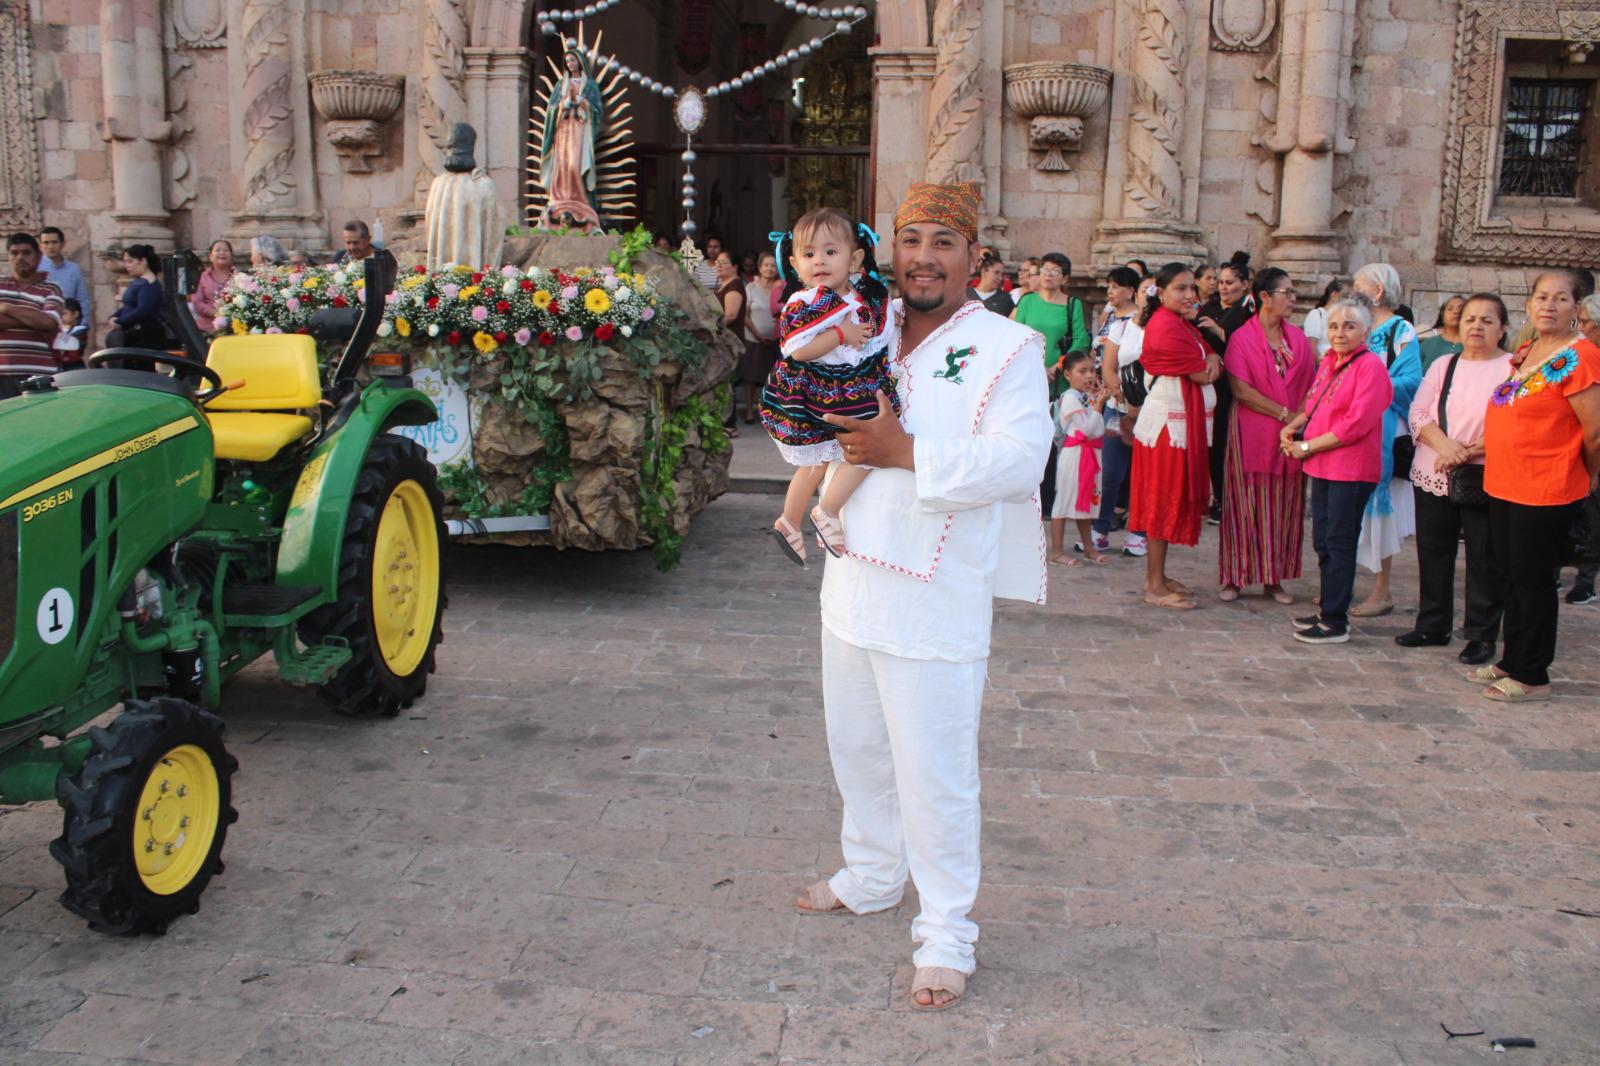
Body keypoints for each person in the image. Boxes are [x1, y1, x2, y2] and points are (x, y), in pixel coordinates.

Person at [792, 180, 1050, 1015]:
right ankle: (871, 873)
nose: (925, 258)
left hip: (938, 592)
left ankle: (947, 932)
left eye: (945, 242)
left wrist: (907, 451)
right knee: (857, 749)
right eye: (912, 240)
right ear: (887, 250)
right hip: (851, 575)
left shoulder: (1009, 347)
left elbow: (1021, 460)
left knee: (935, 775)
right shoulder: (861, 323)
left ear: (975, 256)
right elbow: (801, 419)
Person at [1475, 272, 1600, 701]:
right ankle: (1512, 658)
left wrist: (1580, 472)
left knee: (1533, 581)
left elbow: (1595, 431)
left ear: (1575, 308)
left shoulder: (1581, 356)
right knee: (1508, 575)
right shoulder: (1527, 351)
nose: (1548, 305)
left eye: (1560, 298)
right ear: (1529, 304)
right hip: (1505, 481)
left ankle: (1532, 673)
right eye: (1541, 297)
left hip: (1547, 485)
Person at [759, 208, 895, 563]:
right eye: (808, 254)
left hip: (840, 389)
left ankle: (789, 521)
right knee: (869, 451)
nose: (819, 261)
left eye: (830, 252)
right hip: (826, 392)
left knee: (817, 462)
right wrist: (840, 334)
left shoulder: (864, 295)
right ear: (794, 262)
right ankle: (828, 510)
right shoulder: (805, 301)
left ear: (855, 258)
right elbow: (798, 351)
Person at [1397, 294, 1512, 664]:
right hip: (1434, 467)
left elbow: (1516, 422)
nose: (1476, 326)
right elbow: (1418, 411)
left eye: (1486, 320)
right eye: (1469, 319)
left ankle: (1480, 635)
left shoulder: (1513, 368)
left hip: (1484, 471)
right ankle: (1433, 623)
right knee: (1433, 550)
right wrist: (1446, 447)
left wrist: (1469, 451)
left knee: (1483, 556)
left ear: (1503, 328)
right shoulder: (1444, 364)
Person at [1281, 295, 1394, 643]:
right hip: (1323, 465)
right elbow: (1314, 403)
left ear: (1366, 331)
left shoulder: (1370, 366)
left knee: (1339, 541)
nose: (1340, 332)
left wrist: (1306, 446)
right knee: (1324, 540)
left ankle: (1334, 620)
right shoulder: (1331, 360)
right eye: (1333, 326)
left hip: (1351, 467)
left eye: (1349, 326)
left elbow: (1355, 423)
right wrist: (1294, 425)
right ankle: (1327, 609)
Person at [1218, 267, 1318, 603]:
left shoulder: (1299, 340)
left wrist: (1295, 420)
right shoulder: (1243, 338)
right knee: (1244, 501)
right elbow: (1241, 389)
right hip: (1252, 429)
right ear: (1264, 297)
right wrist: (1284, 415)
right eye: (1286, 292)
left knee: (1283, 503)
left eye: (1293, 292)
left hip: (1288, 434)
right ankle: (1235, 574)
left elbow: (1311, 385)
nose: (1293, 299)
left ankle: (1273, 577)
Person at [1129, 262, 1221, 609]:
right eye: (1180, 289)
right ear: (1162, 292)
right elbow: (1203, 373)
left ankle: (1159, 574)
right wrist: (1210, 363)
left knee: (1167, 499)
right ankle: (1154, 583)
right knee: (1161, 501)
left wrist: (1211, 360)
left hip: (1176, 426)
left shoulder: (1181, 325)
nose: (1188, 295)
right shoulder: (1166, 327)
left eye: (1191, 288)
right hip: (1167, 428)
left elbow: (1211, 359)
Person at [1349, 263, 1423, 617]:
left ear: (1378, 291)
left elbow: (1411, 379)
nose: (1353, 289)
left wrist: (1369, 391)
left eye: (1358, 284)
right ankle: (1343, 583)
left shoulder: (1401, 329)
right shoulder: (1359, 327)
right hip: (1354, 428)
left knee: (1382, 515)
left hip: (1387, 429)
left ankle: (1381, 591)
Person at [1092, 266, 1148, 558]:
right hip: (1118, 408)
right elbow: (1108, 366)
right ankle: (1100, 529)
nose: (1112, 292)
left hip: (1152, 411)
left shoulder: (1159, 325)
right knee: (1111, 471)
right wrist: (1123, 398)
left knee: (1143, 474)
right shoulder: (1115, 324)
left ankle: (1139, 532)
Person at [1198, 252, 1256, 523]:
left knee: (1229, 443)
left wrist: (1221, 333)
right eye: (1221, 282)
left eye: (1230, 282)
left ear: (1245, 284)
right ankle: (1215, 497)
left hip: (1234, 387)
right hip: (1210, 386)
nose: (1223, 287)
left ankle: (1230, 499)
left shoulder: (1248, 313)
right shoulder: (1208, 309)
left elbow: (1252, 346)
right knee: (1212, 443)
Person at [1049, 349, 1109, 566]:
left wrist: (1096, 406)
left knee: (1084, 501)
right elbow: (1087, 429)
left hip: (1089, 454)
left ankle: (1089, 548)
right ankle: (1056, 551)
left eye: (1092, 370)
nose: (1089, 376)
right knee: (1064, 501)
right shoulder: (1071, 399)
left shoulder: (1087, 398)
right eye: (1082, 371)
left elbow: (1098, 429)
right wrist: (1099, 407)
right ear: (1067, 375)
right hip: (1074, 457)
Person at [1011, 251, 1090, 398]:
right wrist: (1039, 368)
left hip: (1060, 376)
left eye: (1055, 271)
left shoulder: (1072, 304)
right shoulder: (1027, 301)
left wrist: (1056, 367)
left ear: (1065, 279)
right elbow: (1016, 338)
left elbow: (1080, 340)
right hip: (1029, 373)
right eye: (1045, 269)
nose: (1049, 274)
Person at [0, 232, 66, 398]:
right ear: (8, 257)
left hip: (39, 374)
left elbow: (48, 323)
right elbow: (41, 321)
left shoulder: (52, 288)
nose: (20, 257)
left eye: (26, 252)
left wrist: (6, 308)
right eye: (14, 253)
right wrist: (32, 318)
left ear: (38, 257)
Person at [738, 251, 783, 423]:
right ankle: (749, 410)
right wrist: (759, 335)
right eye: (766, 265)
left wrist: (773, 337)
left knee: (772, 378)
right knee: (750, 377)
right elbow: (745, 315)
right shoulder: (751, 287)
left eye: (773, 265)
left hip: (775, 340)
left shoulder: (780, 287)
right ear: (759, 267)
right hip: (754, 338)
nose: (770, 269)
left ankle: (769, 412)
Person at [106, 244, 167, 350]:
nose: (127, 266)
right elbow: (128, 305)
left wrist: (120, 321)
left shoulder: (149, 283)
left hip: (143, 336)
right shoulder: (139, 281)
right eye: (125, 262)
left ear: (143, 261)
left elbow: (143, 310)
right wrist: (113, 317)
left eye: (130, 261)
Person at [712, 250, 746, 440]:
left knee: (727, 382)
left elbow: (730, 315)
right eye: (717, 262)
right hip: (722, 341)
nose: (719, 265)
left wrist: (710, 324)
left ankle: (729, 424)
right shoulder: (724, 284)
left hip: (730, 341)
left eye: (724, 262)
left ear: (734, 267)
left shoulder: (734, 285)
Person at [38, 225, 90, 337]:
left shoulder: (73, 269)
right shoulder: (36, 269)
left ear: (62, 244)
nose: (50, 246)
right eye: (46, 243)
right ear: (40, 245)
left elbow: (82, 299)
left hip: (70, 329)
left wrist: (83, 325)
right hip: (44, 326)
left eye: (54, 242)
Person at [188, 239, 235, 333]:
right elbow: (197, 303)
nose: (222, 253)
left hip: (234, 328)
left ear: (231, 256)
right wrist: (218, 314)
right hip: (207, 329)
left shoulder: (239, 277)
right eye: (218, 250)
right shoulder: (201, 277)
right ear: (211, 257)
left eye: (226, 250)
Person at [332, 220, 398, 285]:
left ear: (368, 239)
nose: (352, 247)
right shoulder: (340, 258)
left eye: (356, 243)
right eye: (348, 243)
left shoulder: (383, 258)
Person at [1417, 294, 1465, 371]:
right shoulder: (1427, 344)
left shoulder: (1474, 347)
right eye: (1450, 309)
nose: (1456, 312)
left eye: (1461, 309)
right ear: (1442, 315)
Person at [1301, 280, 1345, 357]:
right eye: (1345, 296)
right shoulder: (1316, 314)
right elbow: (1311, 346)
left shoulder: (1342, 317)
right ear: (1334, 294)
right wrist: (1322, 366)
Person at [53, 298, 86, 371]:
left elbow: (72, 345)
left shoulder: (80, 330)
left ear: (75, 314)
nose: (61, 317)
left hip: (73, 367)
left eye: (64, 313)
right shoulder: (58, 329)